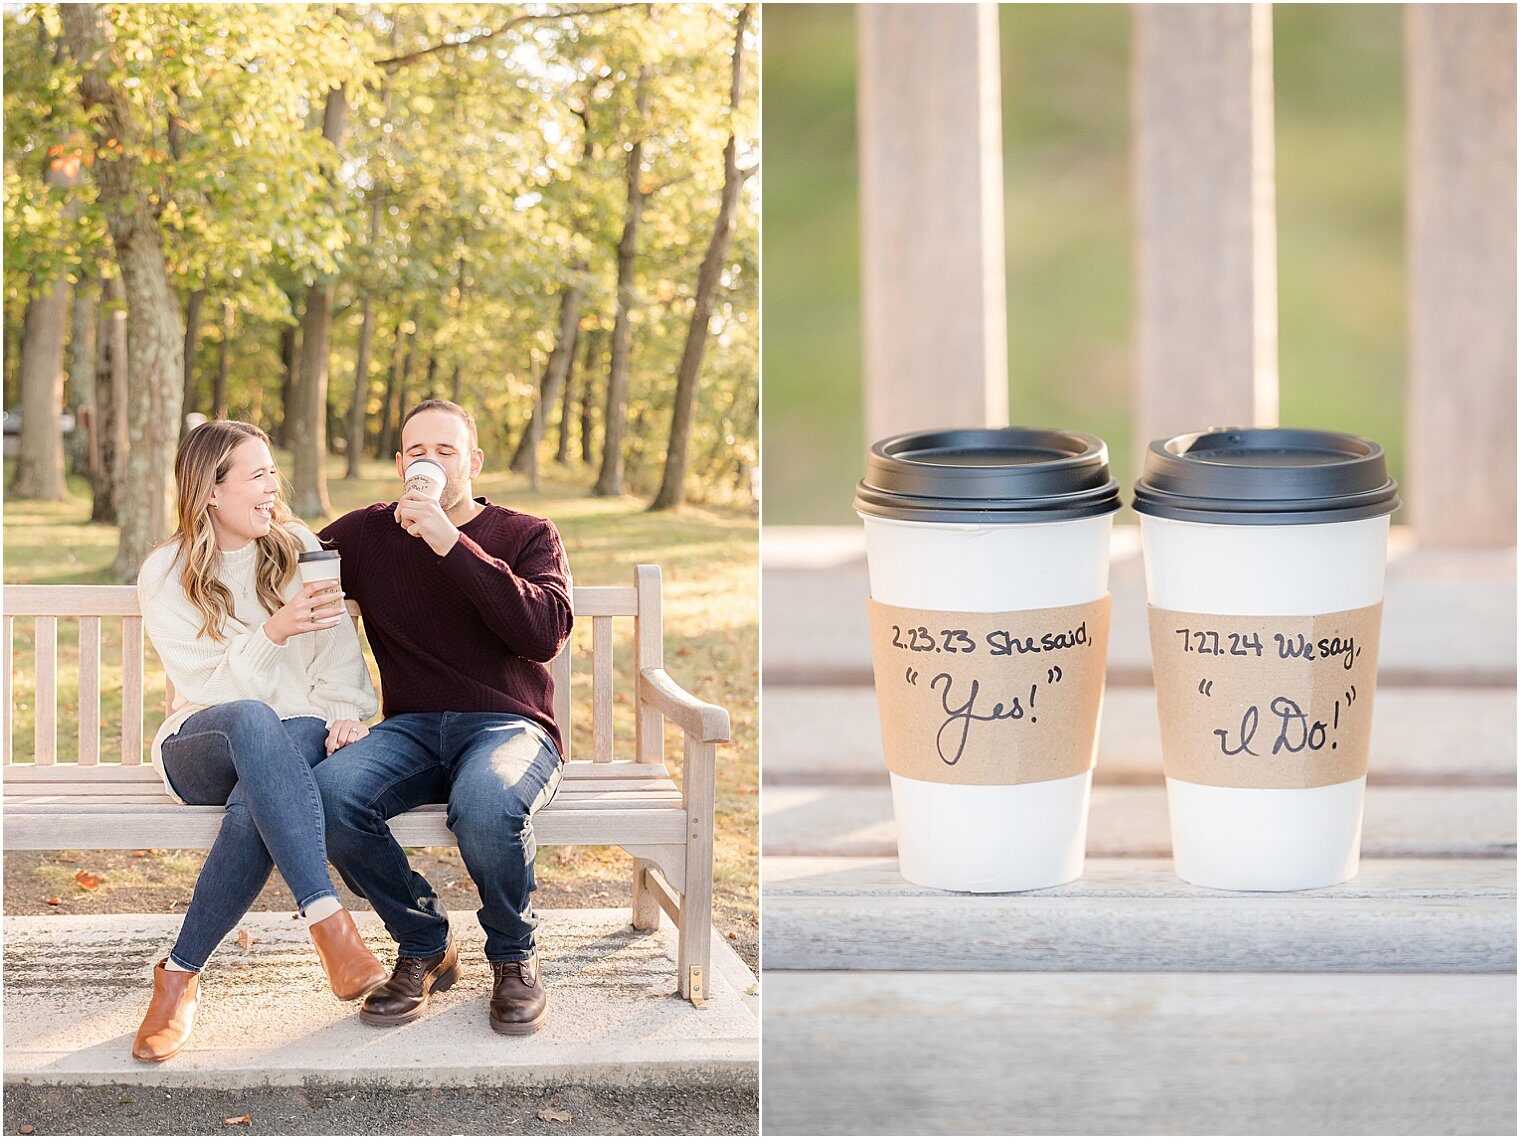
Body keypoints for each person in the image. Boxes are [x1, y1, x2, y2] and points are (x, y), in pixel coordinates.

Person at [314, 399, 574, 1035]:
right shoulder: (365, 533)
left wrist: (450, 543)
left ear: (474, 462)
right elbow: (286, 570)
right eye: (416, 452)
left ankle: (515, 957)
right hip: (412, 727)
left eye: (446, 450)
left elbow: (543, 633)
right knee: (327, 795)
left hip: (508, 726)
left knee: (488, 804)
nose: (429, 461)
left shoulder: (526, 533)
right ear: (401, 463)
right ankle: (425, 943)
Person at [132, 420, 386, 1062]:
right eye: (256, 475)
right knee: (250, 719)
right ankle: (329, 923)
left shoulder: (300, 547)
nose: (273, 487)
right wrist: (270, 632)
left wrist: (349, 714)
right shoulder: (166, 570)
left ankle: (178, 976)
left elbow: (337, 656)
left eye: (273, 471)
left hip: (292, 741)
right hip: (200, 742)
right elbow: (202, 684)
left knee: (259, 797)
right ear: (210, 490)